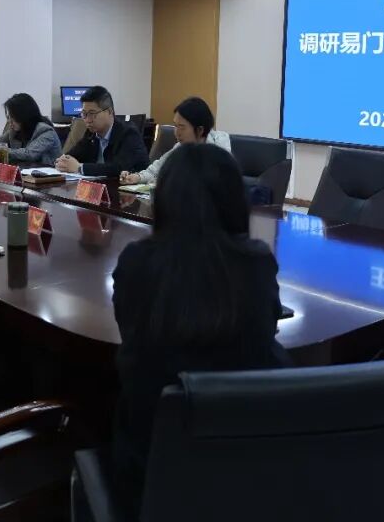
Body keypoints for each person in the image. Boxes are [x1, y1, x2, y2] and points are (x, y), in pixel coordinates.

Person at [110, 143, 286, 516]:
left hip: (150, 473)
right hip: (249, 467)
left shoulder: (137, 262)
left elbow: (131, 343)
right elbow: (266, 335)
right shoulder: (257, 262)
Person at [120, 96, 230, 186]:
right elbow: (156, 170)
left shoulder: (219, 148)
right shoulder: (180, 147)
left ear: (200, 130)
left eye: (182, 127)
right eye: (175, 126)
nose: (176, 133)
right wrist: (137, 177)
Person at [55, 86, 148, 177]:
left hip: (131, 186)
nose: (87, 120)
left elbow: (119, 168)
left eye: (92, 114)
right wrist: (62, 161)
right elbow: (73, 155)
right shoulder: (91, 133)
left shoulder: (129, 133)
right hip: (99, 184)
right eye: (84, 114)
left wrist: (80, 168)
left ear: (109, 112)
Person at [0, 93, 61, 167]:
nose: (9, 122)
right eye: (9, 117)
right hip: (23, 174)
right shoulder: (15, 130)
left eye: (13, 118)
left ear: (24, 116)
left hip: (48, 179)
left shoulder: (46, 132)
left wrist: (2, 152)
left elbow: (29, 154)